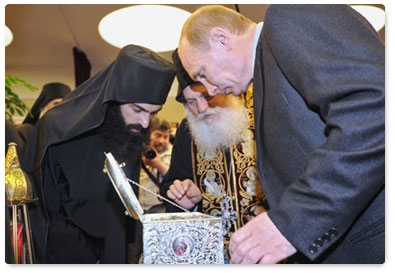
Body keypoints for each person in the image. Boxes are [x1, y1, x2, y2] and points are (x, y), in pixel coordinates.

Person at [177, 5, 385, 264]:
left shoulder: (289, 14)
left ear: (221, 39)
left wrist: (292, 223)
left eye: (203, 74)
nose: (209, 89)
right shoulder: (263, 73)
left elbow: (375, 109)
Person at [20, 44, 176, 263]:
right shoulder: (57, 127)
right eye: (138, 109)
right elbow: (43, 211)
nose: (145, 122)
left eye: (154, 113)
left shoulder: (128, 129)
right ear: (114, 96)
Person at [160, 49, 267, 261]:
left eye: (207, 96)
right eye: (191, 102)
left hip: (265, 249)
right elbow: (170, 186)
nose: (201, 109)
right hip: (211, 254)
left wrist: (275, 214)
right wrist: (186, 197)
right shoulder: (186, 131)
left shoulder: (261, 112)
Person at [128, 116, 173, 263]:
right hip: (136, 211)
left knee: (156, 251)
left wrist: (158, 164)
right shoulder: (137, 150)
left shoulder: (173, 153)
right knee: (132, 252)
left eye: (166, 137)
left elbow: (172, 178)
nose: (162, 141)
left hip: (158, 209)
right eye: (158, 135)